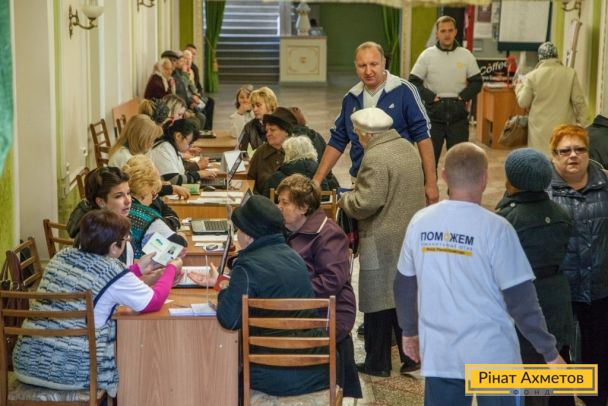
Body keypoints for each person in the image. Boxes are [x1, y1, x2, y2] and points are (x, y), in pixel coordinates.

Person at [395, 142, 564, 406]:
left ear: (444, 176)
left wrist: (409, 331)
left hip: (441, 355)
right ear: (485, 178)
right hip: (493, 355)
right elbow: (522, 301)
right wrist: (550, 352)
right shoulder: (497, 229)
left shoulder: (420, 222)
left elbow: (404, 284)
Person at [12, 209, 182, 397]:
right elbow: (154, 301)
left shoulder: (62, 256)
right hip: (73, 371)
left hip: (26, 363)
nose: (127, 243)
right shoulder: (113, 270)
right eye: (126, 239)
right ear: (114, 247)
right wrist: (171, 269)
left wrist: (138, 268)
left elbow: (101, 281)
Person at [210, 195, 329, 397]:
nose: (237, 234)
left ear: (249, 235)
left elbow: (229, 320)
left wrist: (222, 290)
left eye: (238, 229)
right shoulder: (295, 257)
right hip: (316, 369)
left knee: (226, 381)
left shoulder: (247, 265)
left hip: (272, 374)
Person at [338, 107, 426, 377]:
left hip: (380, 237)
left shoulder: (375, 156)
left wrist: (345, 199)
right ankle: (411, 356)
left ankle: (377, 363)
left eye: (357, 134)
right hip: (407, 232)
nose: (356, 139)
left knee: (377, 301)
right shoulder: (406, 147)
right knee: (401, 296)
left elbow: (366, 203)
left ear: (367, 134)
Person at [313, 41, 438, 205]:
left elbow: (423, 137)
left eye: (373, 64)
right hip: (360, 181)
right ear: (355, 67)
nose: (368, 71)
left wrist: (431, 183)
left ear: (384, 63)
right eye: (362, 65)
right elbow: (337, 140)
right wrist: (316, 181)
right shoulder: (351, 98)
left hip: (398, 182)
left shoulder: (405, 91)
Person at [496, 148, 575, 406]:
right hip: (558, 299)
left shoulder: (506, 220)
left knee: (530, 377)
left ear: (513, 182)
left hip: (524, 303)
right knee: (556, 364)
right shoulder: (561, 214)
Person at [276, 174, 361, 399]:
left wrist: (290, 294)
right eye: (278, 201)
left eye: (284, 202)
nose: (279, 207)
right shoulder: (290, 230)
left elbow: (332, 281)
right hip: (305, 308)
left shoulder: (328, 234)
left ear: (303, 207)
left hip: (329, 312)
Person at [548, 124, 608, 406]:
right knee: (558, 354)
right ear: (554, 156)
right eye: (565, 151)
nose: (573, 155)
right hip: (560, 291)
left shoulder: (604, 184)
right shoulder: (543, 190)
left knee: (599, 351)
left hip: (599, 287)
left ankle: (594, 397)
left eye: (579, 149)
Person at [409, 16, 482, 166]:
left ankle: (456, 183)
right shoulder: (427, 55)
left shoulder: (466, 55)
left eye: (450, 30)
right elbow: (413, 81)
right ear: (437, 34)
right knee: (428, 163)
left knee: (459, 163)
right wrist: (430, 98)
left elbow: (477, 82)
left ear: (455, 32)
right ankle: (429, 183)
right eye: (443, 31)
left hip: (458, 118)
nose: (447, 34)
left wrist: (463, 97)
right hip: (433, 117)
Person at [515, 42, 588, 157]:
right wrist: (581, 125)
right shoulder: (570, 73)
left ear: (540, 57)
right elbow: (579, 102)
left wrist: (518, 88)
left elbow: (523, 102)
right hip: (563, 129)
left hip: (539, 130)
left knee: (540, 160)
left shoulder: (532, 76)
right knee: (562, 159)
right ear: (556, 55)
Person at [122, 155, 187, 259]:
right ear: (148, 190)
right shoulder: (147, 217)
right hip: (140, 266)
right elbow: (178, 246)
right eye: (154, 194)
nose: (153, 199)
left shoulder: (119, 207)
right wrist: (182, 237)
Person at [147, 118, 215, 185]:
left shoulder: (170, 147)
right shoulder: (163, 150)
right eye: (189, 143)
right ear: (178, 136)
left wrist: (199, 175)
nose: (190, 146)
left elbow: (179, 170)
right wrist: (198, 175)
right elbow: (174, 180)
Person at [261, 136, 328, 198]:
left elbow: (266, 203)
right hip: (317, 207)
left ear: (287, 153)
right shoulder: (320, 174)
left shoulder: (276, 178)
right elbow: (327, 198)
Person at [247, 108, 293, 195]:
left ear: (286, 132)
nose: (268, 134)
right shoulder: (260, 152)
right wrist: (258, 199)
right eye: (267, 130)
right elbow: (250, 180)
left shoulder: (294, 151)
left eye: (272, 130)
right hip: (262, 200)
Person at [238, 86, 278, 151]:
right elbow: (242, 152)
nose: (254, 109)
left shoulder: (282, 125)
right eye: (253, 106)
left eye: (258, 105)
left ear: (269, 104)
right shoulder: (248, 127)